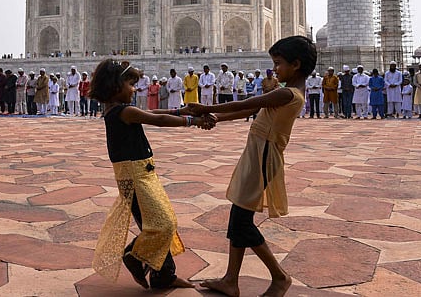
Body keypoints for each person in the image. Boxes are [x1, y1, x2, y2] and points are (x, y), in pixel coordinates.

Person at [187, 35, 316, 297]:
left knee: (241, 221)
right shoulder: (286, 91)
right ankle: (231, 280)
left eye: (278, 64)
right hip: (258, 152)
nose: (275, 69)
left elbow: (247, 103)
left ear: (296, 64)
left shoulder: (287, 93)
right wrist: (216, 118)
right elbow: (250, 113)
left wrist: (205, 106)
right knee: (238, 218)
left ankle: (280, 277)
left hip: (264, 156)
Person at [89, 59, 212, 290]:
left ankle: (163, 275)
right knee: (163, 224)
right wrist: (192, 121)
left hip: (141, 173)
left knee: (156, 223)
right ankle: (134, 257)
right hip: (136, 177)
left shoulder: (119, 110)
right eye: (130, 84)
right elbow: (157, 119)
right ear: (116, 86)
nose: (134, 89)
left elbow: (151, 112)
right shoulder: (122, 111)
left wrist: (180, 110)